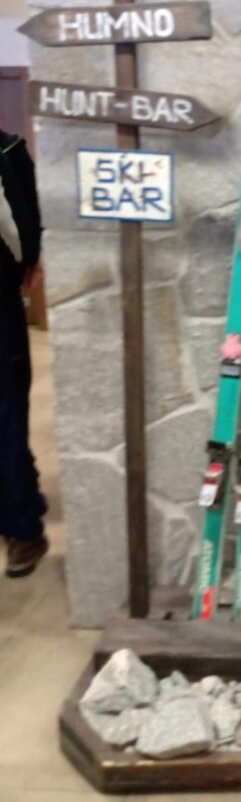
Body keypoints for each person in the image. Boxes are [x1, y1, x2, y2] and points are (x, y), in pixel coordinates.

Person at [0, 126, 48, 578]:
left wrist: (30, 260)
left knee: (8, 408)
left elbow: (27, 216)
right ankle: (22, 511)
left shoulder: (8, 148)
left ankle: (22, 519)